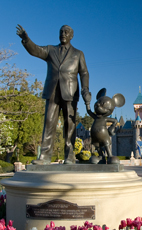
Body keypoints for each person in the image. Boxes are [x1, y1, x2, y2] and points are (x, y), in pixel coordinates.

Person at [16, 24, 91, 164]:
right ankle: (44, 156)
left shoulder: (78, 53)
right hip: (52, 92)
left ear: (71, 36)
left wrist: (85, 89)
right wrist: (26, 39)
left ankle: (69, 156)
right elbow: (36, 50)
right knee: (49, 123)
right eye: (61, 31)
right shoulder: (51, 50)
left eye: (66, 32)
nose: (63, 33)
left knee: (70, 125)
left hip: (70, 92)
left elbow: (84, 72)